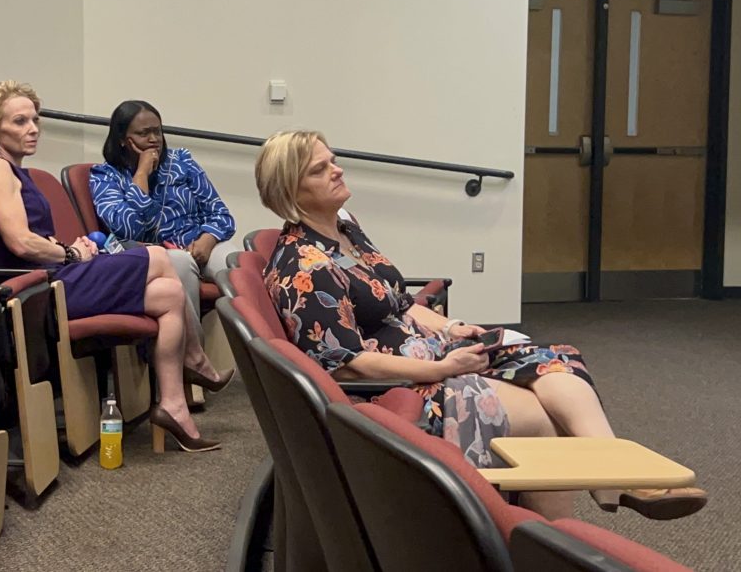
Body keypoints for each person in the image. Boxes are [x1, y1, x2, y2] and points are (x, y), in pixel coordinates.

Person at [255, 129, 707, 520]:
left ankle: (617, 477)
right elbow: (345, 366)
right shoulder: (305, 267)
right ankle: (550, 543)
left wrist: (453, 330)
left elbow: (399, 302)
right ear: (290, 191)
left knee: (553, 362)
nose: (336, 169)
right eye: (320, 169)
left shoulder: (345, 227)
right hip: (400, 387)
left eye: (332, 159)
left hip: (430, 351)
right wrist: (442, 369)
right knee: (545, 422)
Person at [0, 80, 231, 452]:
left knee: (169, 294)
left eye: (35, 119)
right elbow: (19, 241)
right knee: (159, 257)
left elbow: (32, 238)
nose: (33, 128)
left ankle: (173, 406)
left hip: (52, 274)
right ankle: (196, 359)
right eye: (19, 121)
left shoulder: (15, 171)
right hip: (37, 288)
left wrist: (67, 246)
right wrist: (71, 255)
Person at [90, 100, 240, 341]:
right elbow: (130, 230)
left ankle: (254, 355)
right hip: (156, 255)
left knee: (234, 263)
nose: (153, 139)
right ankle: (192, 354)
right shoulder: (105, 176)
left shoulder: (182, 161)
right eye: (143, 133)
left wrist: (208, 239)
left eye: (157, 131)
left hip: (200, 242)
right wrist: (141, 175)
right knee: (179, 262)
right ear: (122, 139)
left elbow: (220, 213)